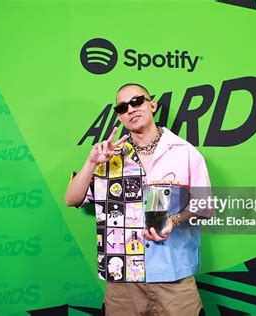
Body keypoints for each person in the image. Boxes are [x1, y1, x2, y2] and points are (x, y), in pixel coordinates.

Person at [65, 83, 214, 315]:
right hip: (122, 280)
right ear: (120, 116)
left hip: (173, 275)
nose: (131, 109)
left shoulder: (183, 151)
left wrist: (173, 220)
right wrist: (92, 162)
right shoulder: (110, 156)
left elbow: (205, 205)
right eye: (123, 107)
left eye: (137, 101)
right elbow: (72, 199)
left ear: (152, 104)